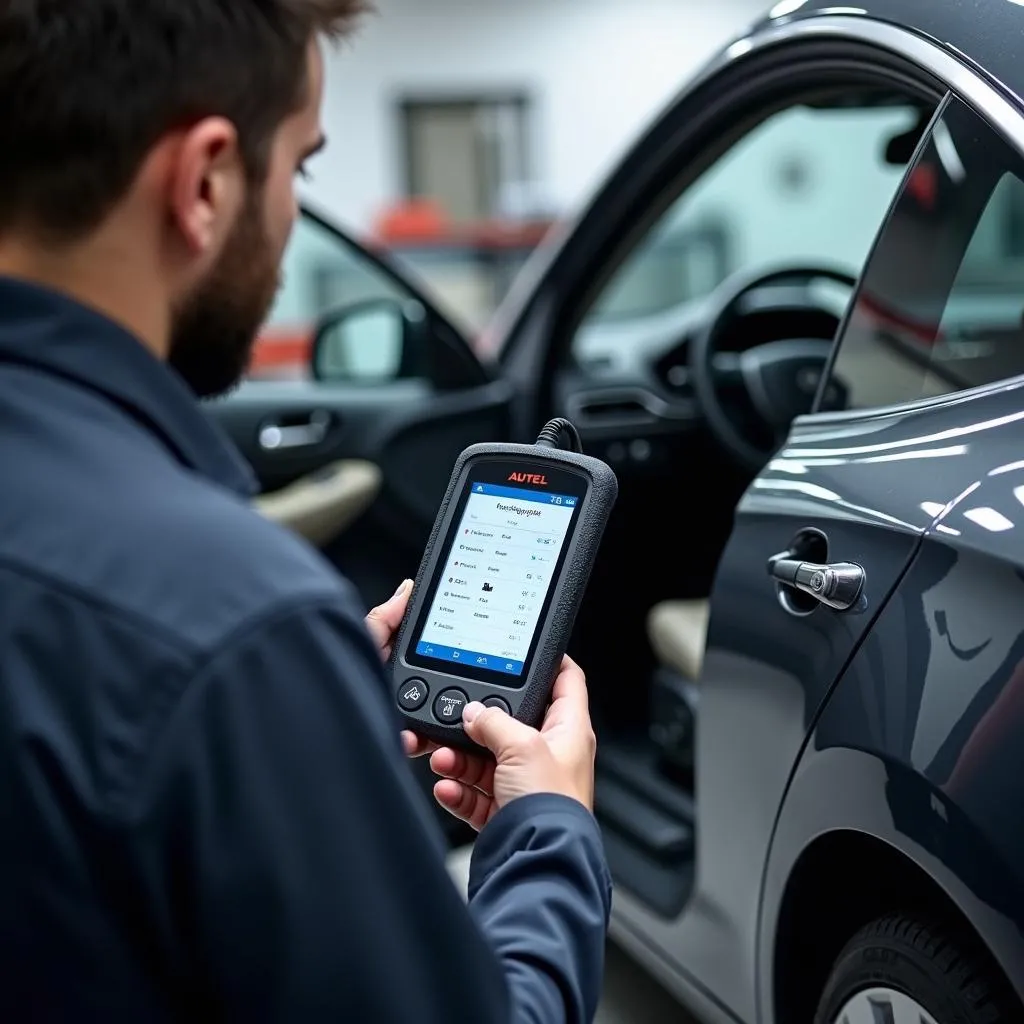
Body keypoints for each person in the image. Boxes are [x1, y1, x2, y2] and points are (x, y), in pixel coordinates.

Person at [0, 2, 611, 1022]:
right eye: (299, 167)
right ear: (204, 181)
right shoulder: (233, 624)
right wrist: (547, 829)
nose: (289, 215)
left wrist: (305, 737)